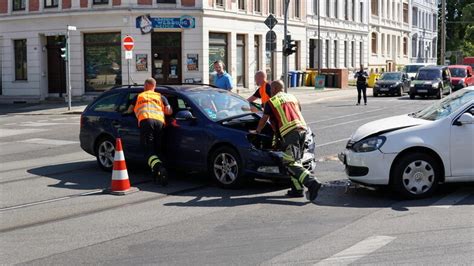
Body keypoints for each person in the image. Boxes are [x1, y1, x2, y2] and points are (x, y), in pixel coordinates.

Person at [250, 80, 322, 201]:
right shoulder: (293, 97)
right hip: (303, 130)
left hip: (290, 133)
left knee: (289, 162)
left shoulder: (271, 102)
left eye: (270, 90)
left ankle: (311, 182)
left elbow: (264, 119)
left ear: (273, 90)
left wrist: (257, 131)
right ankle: (297, 189)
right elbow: (298, 110)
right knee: (296, 160)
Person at [128, 78, 173, 185]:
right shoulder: (160, 96)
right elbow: (169, 111)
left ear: (145, 86)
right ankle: (158, 173)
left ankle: (159, 167)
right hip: (160, 123)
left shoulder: (139, 96)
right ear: (154, 86)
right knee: (158, 149)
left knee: (148, 150)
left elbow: (129, 110)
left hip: (146, 121)